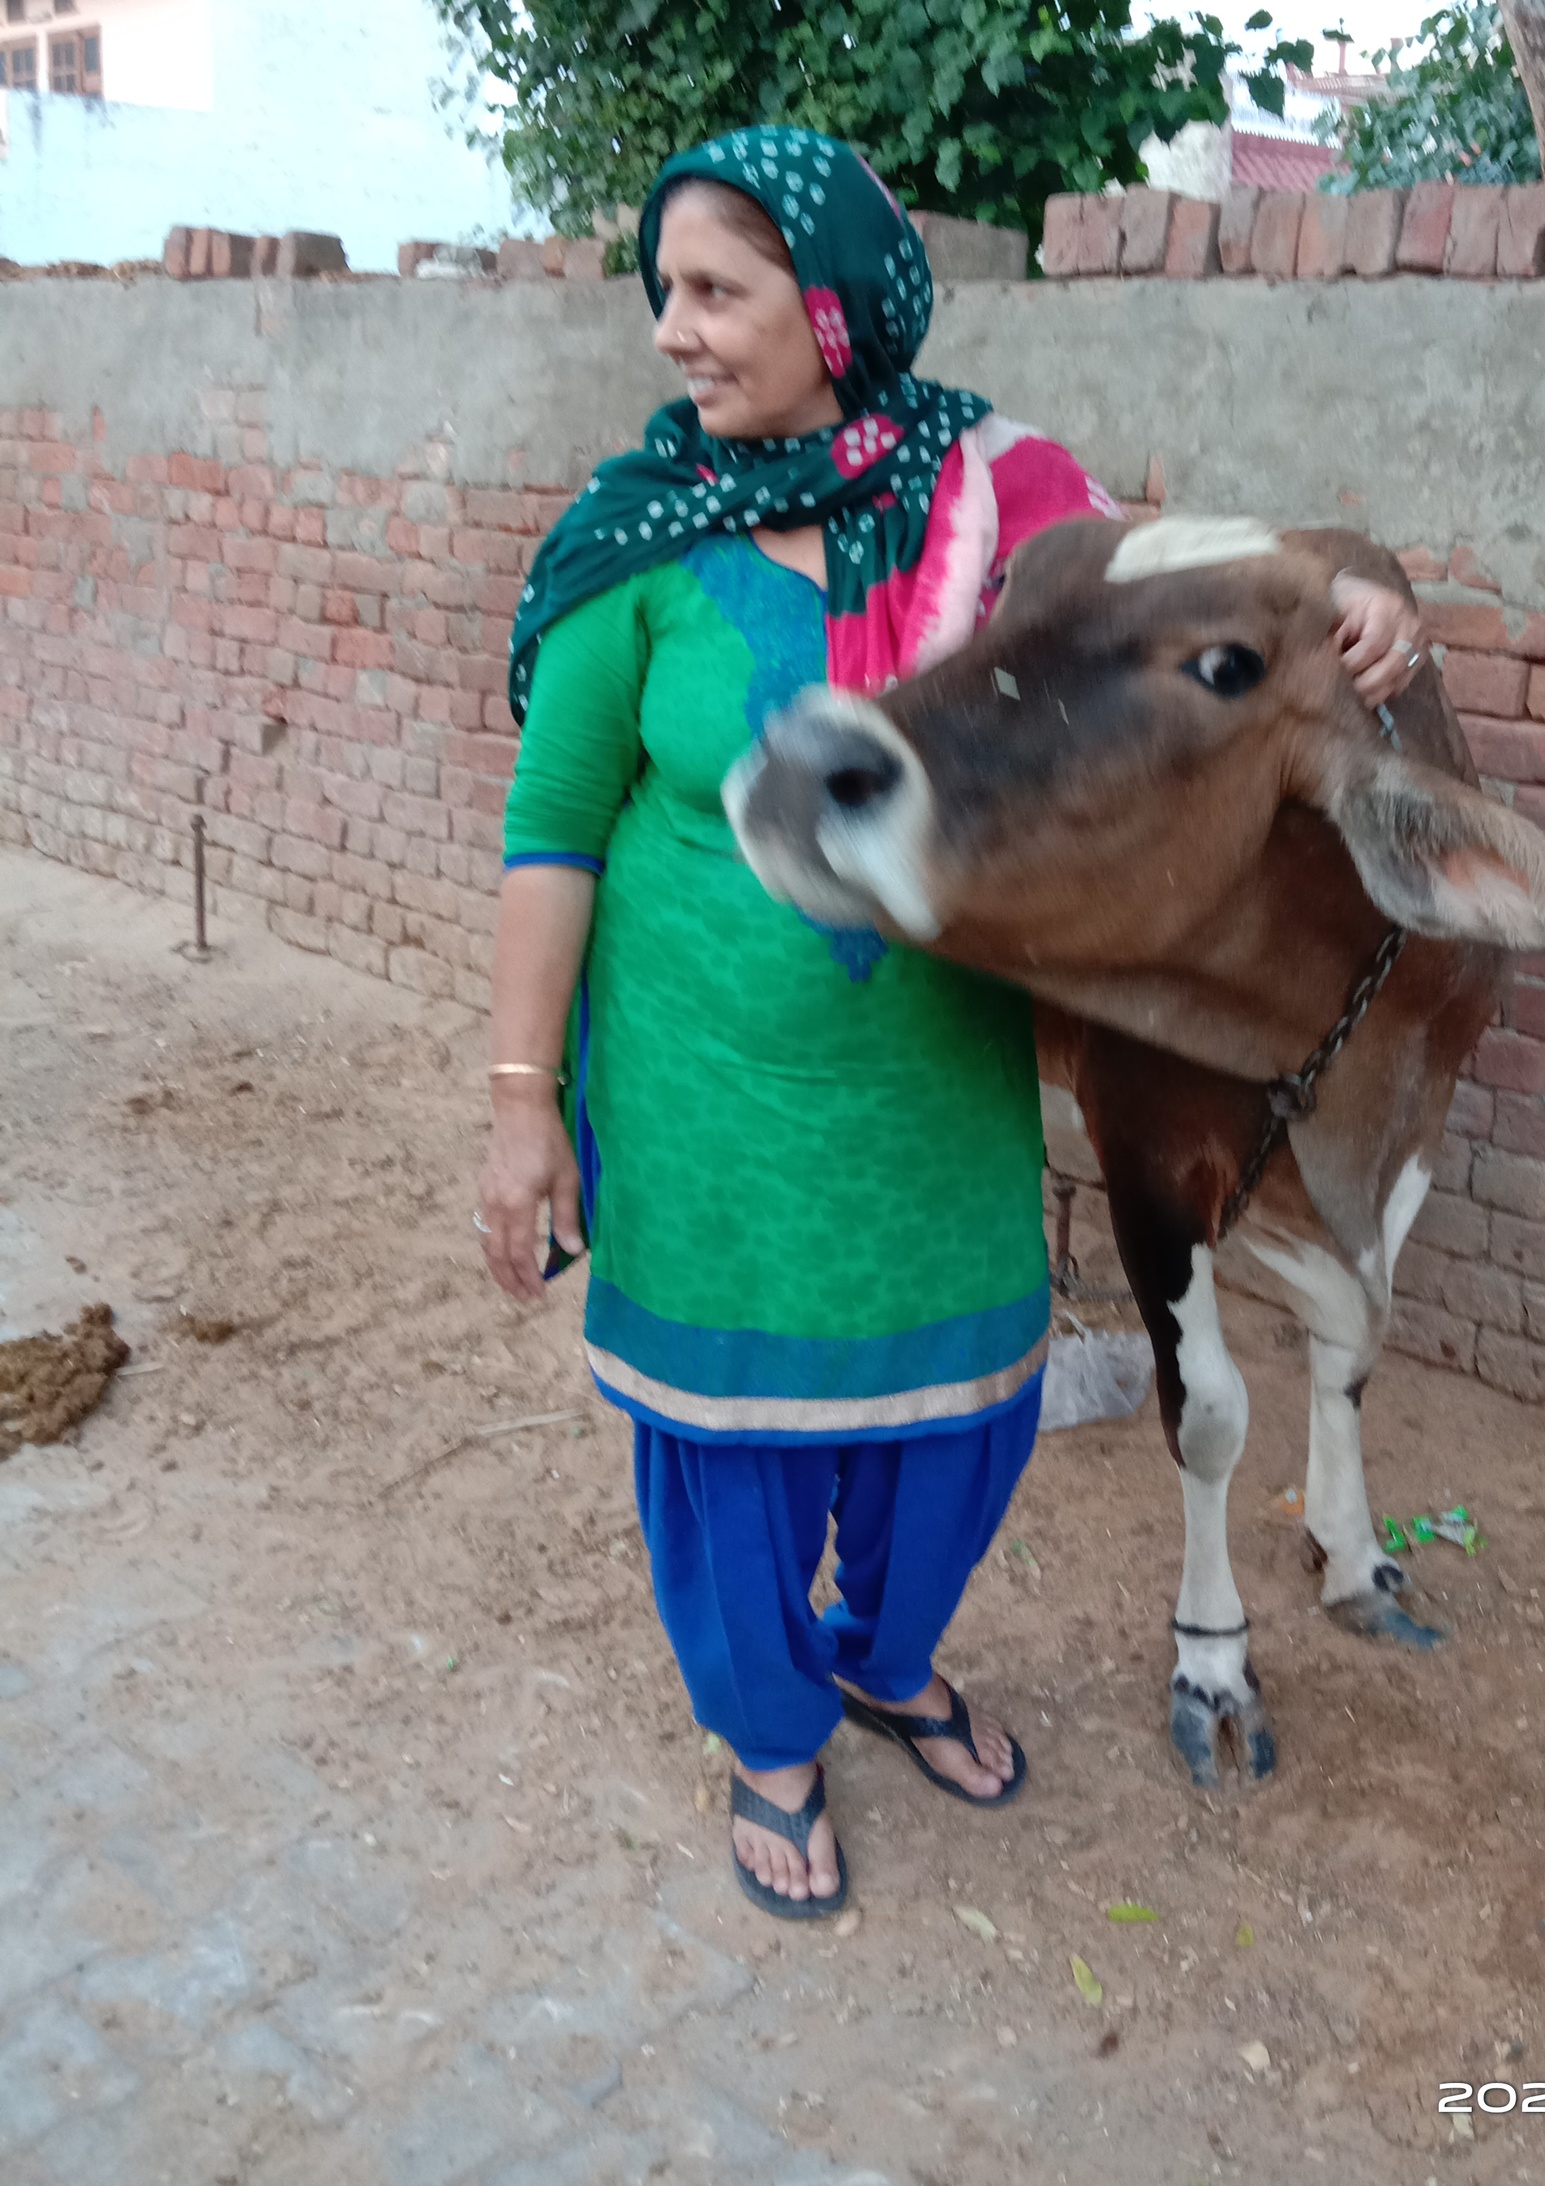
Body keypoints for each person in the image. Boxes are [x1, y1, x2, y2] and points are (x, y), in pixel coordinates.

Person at [475, 128, 1424, 1916]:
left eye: (716, 291)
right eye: (664, 293)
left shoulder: (992, 502)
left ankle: (884, 1654)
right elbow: (552, 836)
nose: (675, 331)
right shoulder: (633, 548)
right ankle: (773, 1737)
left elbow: (1176, 596)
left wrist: (1347, 602)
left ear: (831, 310)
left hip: (929, 1080)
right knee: (734, 1443)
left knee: (956, 1423)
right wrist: (525, 1095)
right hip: (708, 1094)